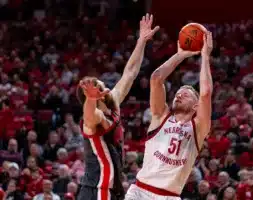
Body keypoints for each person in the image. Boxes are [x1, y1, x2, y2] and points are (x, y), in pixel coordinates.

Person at [76, 14, 159, 200]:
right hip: (96, 188)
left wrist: (141, 41)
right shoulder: (92, 118)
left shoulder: (113, 102)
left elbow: (130, 72)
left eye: (100, 84)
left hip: (112, 188)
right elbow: (90, 115)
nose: (103, 86)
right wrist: (90, 100)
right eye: (97, 87)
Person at [125, 26, 213, 200]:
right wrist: (180, 55)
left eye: (186, 94)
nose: (179, 94)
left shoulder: (198, 127)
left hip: (169, 196)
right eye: (178, 92)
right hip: (139, 192)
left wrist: (205, 56)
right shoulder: (160, 116)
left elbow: (206, 93)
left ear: (196, 106)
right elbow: (156, 78)